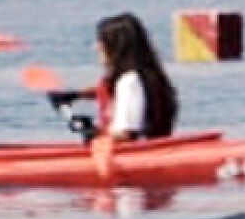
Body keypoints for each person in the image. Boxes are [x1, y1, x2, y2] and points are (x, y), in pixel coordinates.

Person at [49, 12, 179, 141]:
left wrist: (92, 132)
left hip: (129, 156)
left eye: (102, 41)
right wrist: (76, 95)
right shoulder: (145, 76)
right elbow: (111, 91)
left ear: (117, 46)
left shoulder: (129, 82)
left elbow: (125, 136)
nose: (97, 47)